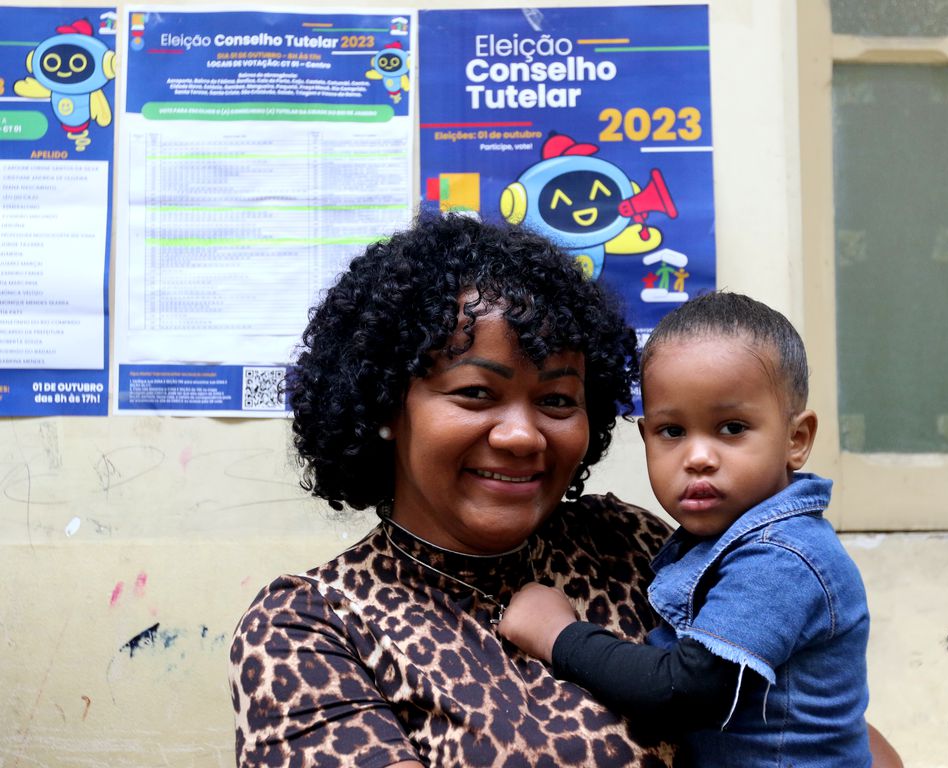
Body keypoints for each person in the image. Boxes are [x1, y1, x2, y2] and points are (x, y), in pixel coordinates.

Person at [230, 213, 694, 767]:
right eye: (475, 392)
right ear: (387, 409)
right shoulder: (311, 628)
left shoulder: (630, 545)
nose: (522, 435)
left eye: (557, 400)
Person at [498, 291, 875, 766]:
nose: (698, 458)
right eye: (672, 432)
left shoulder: (781, 557)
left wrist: (558, 635)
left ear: (795, 440)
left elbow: (684, 690)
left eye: (732, 428)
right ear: (646, 437)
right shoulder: (716, 538)